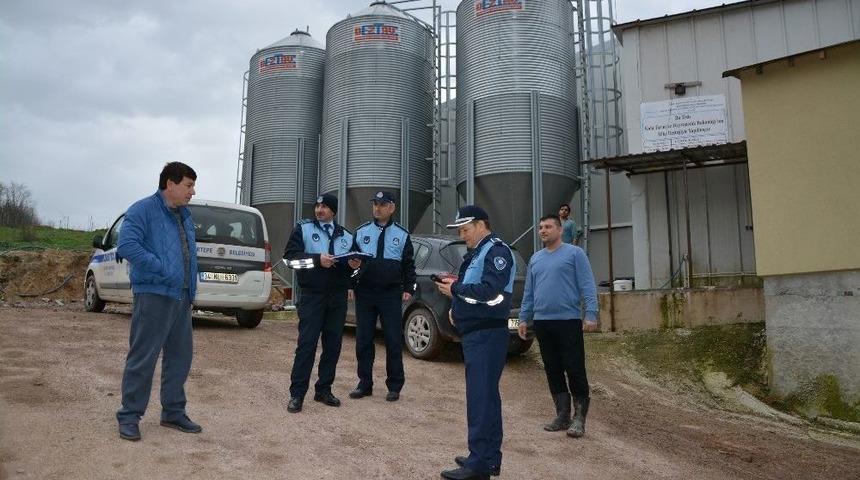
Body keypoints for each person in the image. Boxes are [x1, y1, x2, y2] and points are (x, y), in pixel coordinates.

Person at [115, 162, 201, 441]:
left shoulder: (184, 215)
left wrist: (190, 287)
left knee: (180, 358)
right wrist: (160, 266)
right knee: (143, 357)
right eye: (188, 185)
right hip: (154, 293)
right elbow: (127, 245)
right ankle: (129, 415)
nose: (192, 192)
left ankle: (173, 412)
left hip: (181, 296)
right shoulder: (143, 209)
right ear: (170, 184)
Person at [436, 205, 515, 480]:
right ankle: (488, 457)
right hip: (478, 334)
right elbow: (474, 291)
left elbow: (490, 292)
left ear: (482, 225)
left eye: (466, 229)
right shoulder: (477, 253)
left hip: (486, 335)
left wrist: (455, 289)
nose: (462, 235)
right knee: (487, 397)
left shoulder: (496, 251)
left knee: (480, 398)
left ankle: (478, 464)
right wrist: (455, 303)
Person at [518, 214, 598, 439]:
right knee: (552, 369)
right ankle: (562, 416)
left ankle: (579, 418)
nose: (543, 230)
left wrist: (590, 313)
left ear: (560, 230)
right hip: (543, 322)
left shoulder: (575, 254)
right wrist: (524, 318)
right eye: (541, 227)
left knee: (574, 368)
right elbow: (529, 292)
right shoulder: (535, 258)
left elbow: (587, 284)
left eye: (548, 227)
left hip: (568, 321)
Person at [283, 193, 362, 413]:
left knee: (333, 346)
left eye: (325, 207)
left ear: (334, 211)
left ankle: (323, 390)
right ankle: (297, 394)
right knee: (307, 345)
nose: (319, 210)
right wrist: (318, 260)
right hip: (312, 296)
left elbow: (353, 270)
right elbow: (290, 259)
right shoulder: (303, 229)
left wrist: (354, 267)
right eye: (317, 206)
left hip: (336, 299)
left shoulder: (346, 236)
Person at [349, 191, 416, 402]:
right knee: (363, 341)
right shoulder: (361, 232)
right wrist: (350, 284)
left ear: (392, 207)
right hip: (366, 293)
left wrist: (409, 288)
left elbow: (408, 265)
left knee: (394, 341)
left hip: (390, 294)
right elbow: (352, 262)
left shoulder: (402, 234)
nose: (377, 208)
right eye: (375, 204)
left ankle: (394, 385)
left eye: (382, 204)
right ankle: (364, 384)